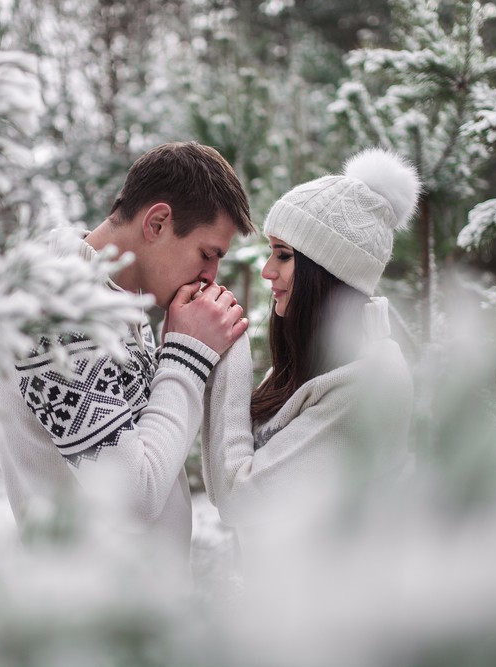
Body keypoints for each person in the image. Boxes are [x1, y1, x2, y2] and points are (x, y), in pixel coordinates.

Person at [0, 142, 254, 566]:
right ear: (158, 222)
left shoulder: (114, 301)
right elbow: (132, 497)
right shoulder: (57, 312)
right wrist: (188, 355)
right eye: (207, 254)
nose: (211, 275)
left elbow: (150, 448)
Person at [200, 148, 419, 571]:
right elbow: (232, 464)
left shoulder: (367, 382)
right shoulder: (313, 365)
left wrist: (229, 353)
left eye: (283, 255)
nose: (266, 270)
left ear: (328, 271)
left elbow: (238, 498)